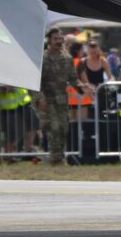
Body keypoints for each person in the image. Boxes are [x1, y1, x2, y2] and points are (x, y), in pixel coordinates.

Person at [36, 28, 93, 165]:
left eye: (60, 39)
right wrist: (40, 98)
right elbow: (37, 79)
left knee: (62, 128)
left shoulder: (67, 59)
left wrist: (83, 88)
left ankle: (57, 157)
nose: (59, 41)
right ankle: (56, 159)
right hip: (46, 98)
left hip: (61, 99)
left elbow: (73, 79)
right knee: (52, 127)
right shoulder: (41, 58)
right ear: (49, 40)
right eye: (55, 39)